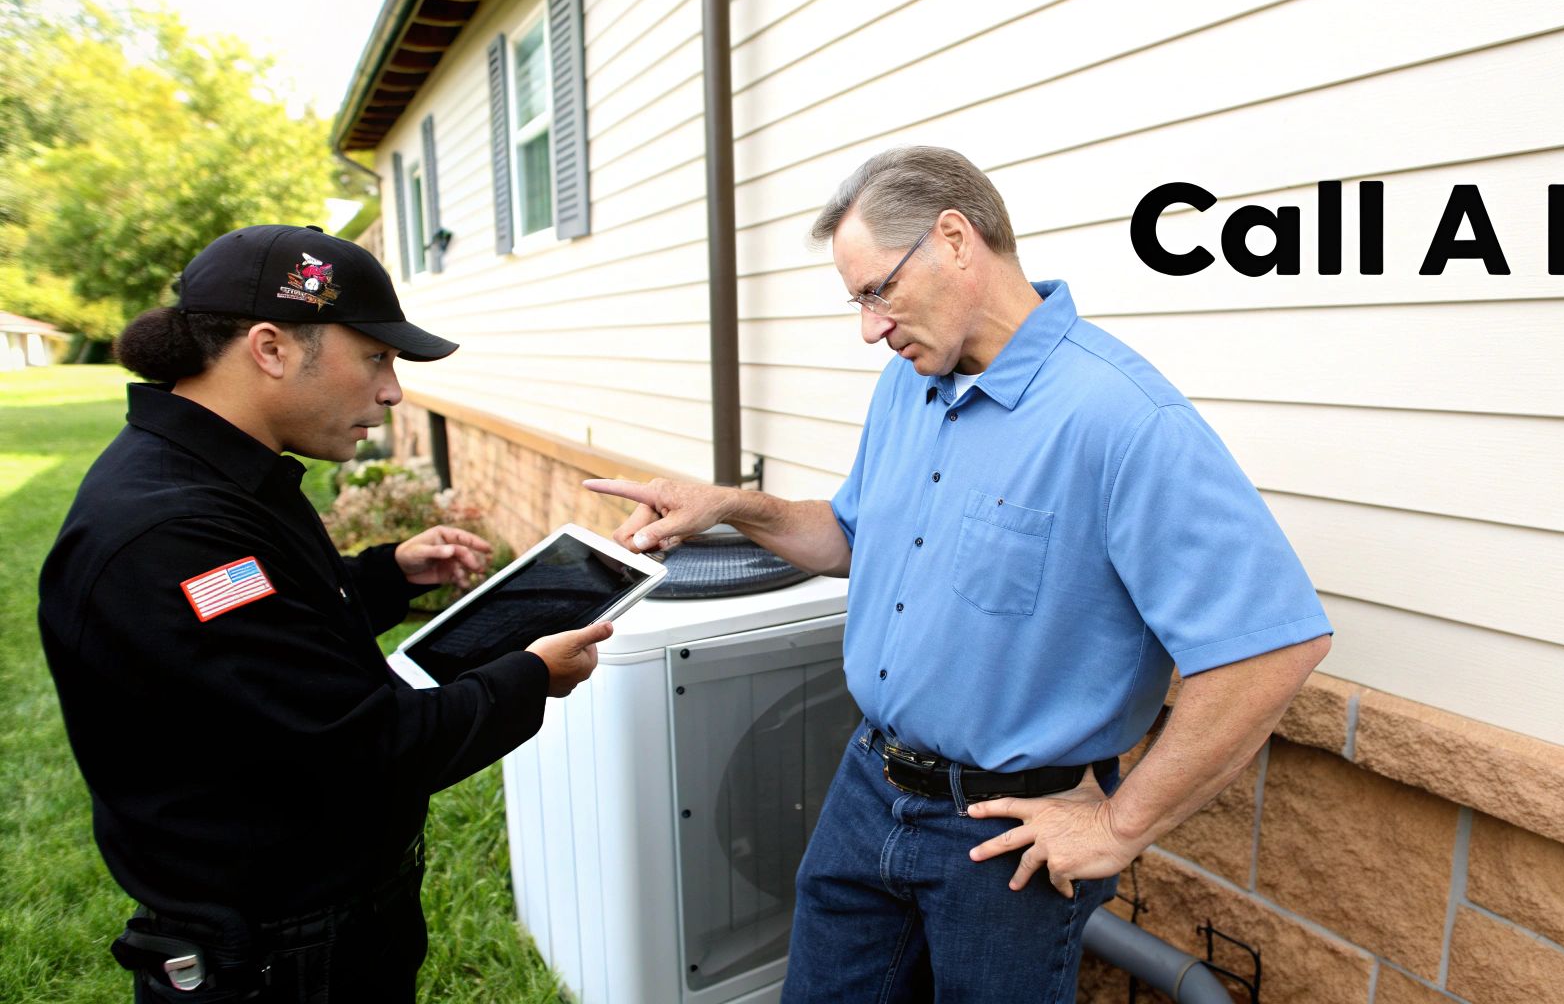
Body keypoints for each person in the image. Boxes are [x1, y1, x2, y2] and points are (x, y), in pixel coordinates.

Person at [584, 147, 1334, 1002]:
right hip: (867, 785)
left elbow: (1270, 648)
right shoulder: (910, 384)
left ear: (954, 240)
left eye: (877, 292)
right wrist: (728, 506)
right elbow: (847, 535)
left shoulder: (1122, 419)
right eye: (858, 302)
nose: (871, 327)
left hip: (1003, 835)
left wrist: (1120, 826)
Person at [37, 224, 614, 1002]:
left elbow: (260, 622)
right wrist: (529, 676)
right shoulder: (172, 533)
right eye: (375, 357)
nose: (393, 389)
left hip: (308, 930)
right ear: (271, 348)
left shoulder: (213, 479)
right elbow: (366, 750)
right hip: (275, 959)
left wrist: (386, 575)